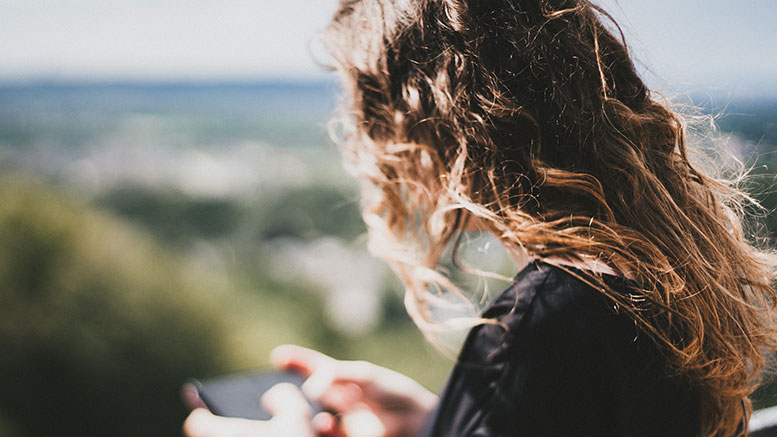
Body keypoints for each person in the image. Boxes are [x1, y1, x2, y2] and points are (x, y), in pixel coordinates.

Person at [183, 0, 777, 436]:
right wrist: (434, 418)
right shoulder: (635, 290)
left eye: (364, 104)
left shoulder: (549, 320)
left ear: (424, 121)